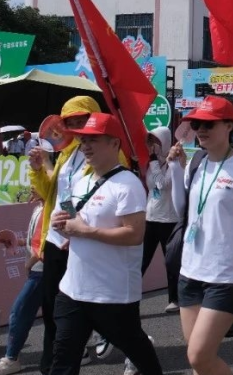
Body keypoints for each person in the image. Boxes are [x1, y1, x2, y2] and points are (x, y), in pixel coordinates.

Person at [47, 113, 160, 375]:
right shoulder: (81, 180)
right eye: (83, 140)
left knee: (140, 354)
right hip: (73, 290)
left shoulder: (128, 184)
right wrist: (60, 222)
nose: (85, 146)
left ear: (114, 143)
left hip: (112, 294)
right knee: (62, 362)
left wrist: (86, 232)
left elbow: (134, 234)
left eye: (93, 140)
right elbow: (70, 213)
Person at [168, 96, 233, 375]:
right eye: (197, 124)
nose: (201, 130)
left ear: (229, 126)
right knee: (198, 360)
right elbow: (182, 210)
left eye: (209, 124)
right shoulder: (196, 161)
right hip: (190, 271)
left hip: (226, 275)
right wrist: (175, 170)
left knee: (199, 356)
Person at [28, 96, 126, 371]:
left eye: (83, 119)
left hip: (84, 241)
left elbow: (102, 198)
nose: (77, 126)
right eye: (71, 122)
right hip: (56, 240)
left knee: (93, 310)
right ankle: (52, 366)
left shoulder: (108, 152)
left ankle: (131, 347)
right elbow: (55, 195)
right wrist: (38, 171)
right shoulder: (68, 153)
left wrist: (78, 227)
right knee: (52, 309)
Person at [0, 190, 47, 375]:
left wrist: (29, 263)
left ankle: (11, 359)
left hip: (42, 271)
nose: (31, 187)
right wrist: (17, 242)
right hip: (40, 270)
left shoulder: (53, 207)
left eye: (36, 181)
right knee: (58, 316)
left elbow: (49, 242)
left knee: (19, 312)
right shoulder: (39, 207)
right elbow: (36, 240)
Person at [143, 127, 180, 313]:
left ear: (164, 142)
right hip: (150, 218)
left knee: (170, 262)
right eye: (150, 141)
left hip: (168, 219)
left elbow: (162, 184)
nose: (152, 145)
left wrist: (152, 162)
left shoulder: (173, 163)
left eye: (155, 141)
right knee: (142, 260)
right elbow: (151, 187)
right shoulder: (152, 163)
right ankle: (128, 297)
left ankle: (175, 299)